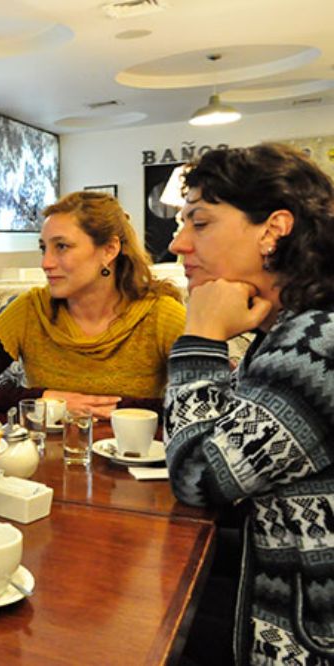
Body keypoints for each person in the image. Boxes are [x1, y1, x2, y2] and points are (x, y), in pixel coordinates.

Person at [164, 143, 334, 664]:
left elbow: (197, 474)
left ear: (272, 229)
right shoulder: (293, 329)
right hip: (276, 594)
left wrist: (200, 334)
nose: (177, 244)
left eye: (200, 222)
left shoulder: (318, 347)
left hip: (303, 639)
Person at [0, 191, 186, 419]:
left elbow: (210, 401)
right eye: (43, 248)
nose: (46, 262)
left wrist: (117, 409)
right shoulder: (31, 310)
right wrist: (46, 399)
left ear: (109, 250)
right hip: (46, 459)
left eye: (61, 247)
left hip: (134, 461)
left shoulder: (161, 315)